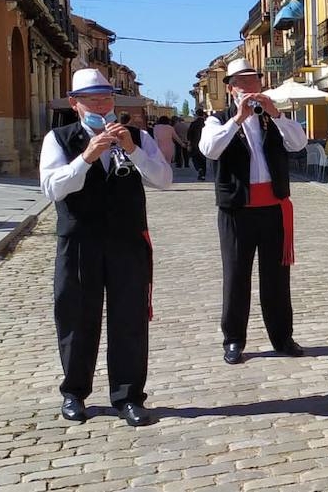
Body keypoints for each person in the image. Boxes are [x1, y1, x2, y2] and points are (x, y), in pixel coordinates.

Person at [39, 68, 173, 426]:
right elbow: (52, 188)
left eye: (106, 98)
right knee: (76, 318)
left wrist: (133, 150)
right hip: (80, 242)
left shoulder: (138, 138)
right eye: (92, 99)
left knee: (129, 319)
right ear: (76, 104)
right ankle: (74, 393)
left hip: (127, 240)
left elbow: (163, 180)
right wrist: (85, 157)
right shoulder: (58, 139)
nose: (101, 104)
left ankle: (128, 397)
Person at [199, 59, 309, 365]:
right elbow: (209, 149)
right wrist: (237, 118)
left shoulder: (272, 119)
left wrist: (276, 114)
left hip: (272, 208)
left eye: (254, 82)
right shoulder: (217, 120)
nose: (250, 88)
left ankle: (282, 337)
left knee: (276, 278)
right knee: (236, 277)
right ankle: (234, 339)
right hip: (237, 210)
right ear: (232, 88)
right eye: (243, 83)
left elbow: (298, 143)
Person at [188, 110, 208, 181]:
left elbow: (189, 134)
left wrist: (189, 144)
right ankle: (203, 175)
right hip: (205, 144)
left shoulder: (193, 123)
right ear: (203, 115)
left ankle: (199, 168)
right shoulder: (206, 124)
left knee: (195, 158)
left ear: (196, 115)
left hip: (195, 144)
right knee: (203, 159)